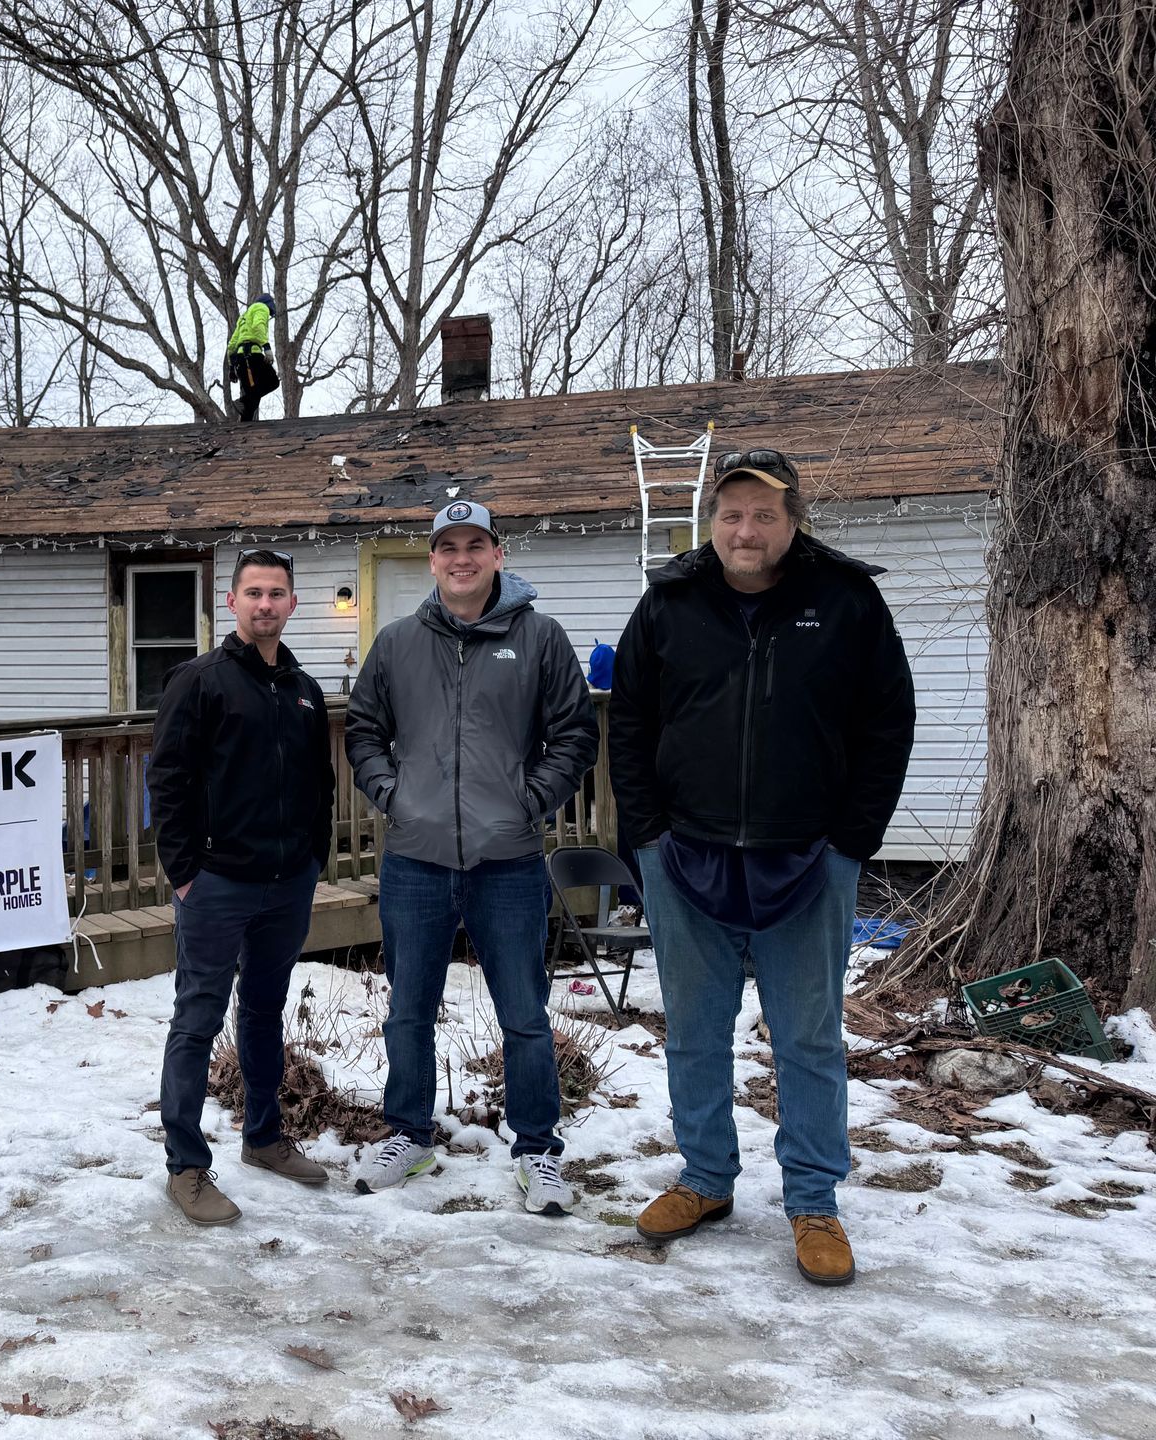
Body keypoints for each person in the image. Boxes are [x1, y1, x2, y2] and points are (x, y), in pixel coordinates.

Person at [608, 447, 914, 1287]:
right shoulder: (669, 602)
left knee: (809, 1039)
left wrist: (852, 840)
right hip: (687, 858)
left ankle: (814, 1200)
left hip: (809, 858)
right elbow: (628, 724)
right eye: (733, 514)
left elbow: (889, 724)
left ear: (793, 521)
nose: (747, 530)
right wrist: (648, 840)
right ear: (714, 521)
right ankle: (706, 1179)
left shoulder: (846, 600)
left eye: (765, 515)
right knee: (696, 1034)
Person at [345, 501, 599, 1213]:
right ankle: (408, 1135)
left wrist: (530, 799)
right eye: (448, 546)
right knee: (409, 1011)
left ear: (497, 554)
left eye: (475, 545)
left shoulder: (540, 638)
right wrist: (394, 796)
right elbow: (364, 730)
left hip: (509, 860)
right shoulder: (397, 643)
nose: (462, 558)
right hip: (415, 858)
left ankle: (538, 1151)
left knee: (524, 1013)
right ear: (432, 560)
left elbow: (576, 733)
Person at [147, 548, 335, 1226]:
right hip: (218, 883)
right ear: (231, 602)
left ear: (292, 603)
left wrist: (314, 858)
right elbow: (166, 780)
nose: (265, 604)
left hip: (287, 885)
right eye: (253, 592)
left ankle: (263, 1138)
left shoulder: (306, 690)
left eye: (276, 592)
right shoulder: (199, 682)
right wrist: (185, 872)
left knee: (262, 1012)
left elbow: (321, 783)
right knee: (197, 1018)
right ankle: (187, 1167)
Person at [225, 293, 281, 422]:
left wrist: (231, 368)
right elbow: (258, 326)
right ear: (269, 305)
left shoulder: (243, 317)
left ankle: (243, 434)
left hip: (240, 361)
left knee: (250, 403)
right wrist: (266, 347)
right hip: (252, 357)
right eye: (271, 312)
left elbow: (232, 344)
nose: (269, 315)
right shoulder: (261, 308)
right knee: (272, 382)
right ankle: (243, 401)